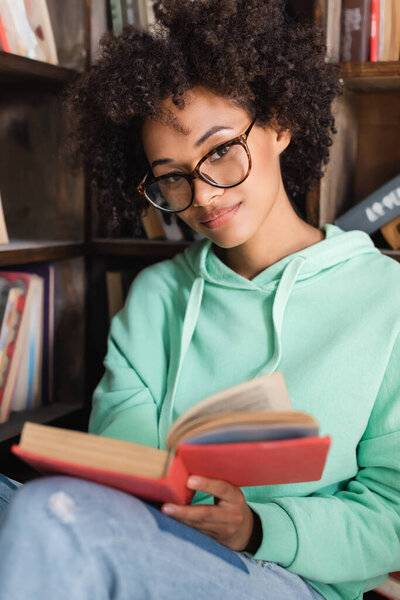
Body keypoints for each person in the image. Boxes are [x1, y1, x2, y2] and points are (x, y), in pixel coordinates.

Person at [0, 1, 399, 598]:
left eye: (219, 151)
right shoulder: (155, 297)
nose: (204, 195)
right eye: (173, 175)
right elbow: (124, 466)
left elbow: (392, 514)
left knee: (49, 518)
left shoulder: (384, 299)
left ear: (281, 124)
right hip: (148, 540)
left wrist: (259, 527)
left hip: (289, 577)